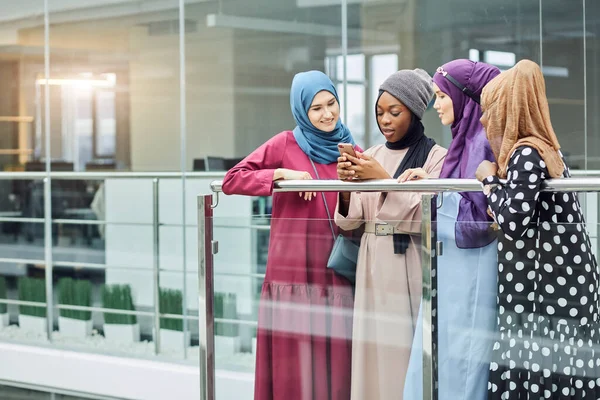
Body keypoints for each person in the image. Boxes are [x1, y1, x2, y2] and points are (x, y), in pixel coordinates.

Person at [222, 70, 356, 400]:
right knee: (293, 366)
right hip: (292, 272)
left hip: (334, 270)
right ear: (301, 111)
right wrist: (280, 174)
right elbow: (232, 179)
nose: (327, 114)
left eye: (331, 104)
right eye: (316, 108)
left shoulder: (350, 147)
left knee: (334, 367)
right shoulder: (286, 143)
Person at [476, 59, 600, 399]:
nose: (484, 120)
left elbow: (514, 222)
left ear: (506, 111)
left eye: (489, 110)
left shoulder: (526, 153)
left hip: (546, 290)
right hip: (555, 284)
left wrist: (488, 178)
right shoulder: (546, 149)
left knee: (542, 369)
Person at [334, 69, 446, 400]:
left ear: (414, 111)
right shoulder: (372, 154)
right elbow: (350, 221)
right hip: (371, 261)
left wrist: (380, 178)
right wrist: (344, 187)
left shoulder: (436, 158)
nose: (386, 120)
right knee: (372, 350)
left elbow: (422, 217)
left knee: (403, 349)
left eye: (395, 112)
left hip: (410, 262)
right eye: (380, 112)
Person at [402, 60, 501, 400]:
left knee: (464, 349)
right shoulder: (466, 139)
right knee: (444, 345)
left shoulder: (484, 141)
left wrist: (441, 189)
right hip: (450, 264)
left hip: (472, 265)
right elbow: (464, 191)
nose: (437, 105)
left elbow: (481, 209)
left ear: (465, 98)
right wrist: (435, 182)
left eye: (442, 96)